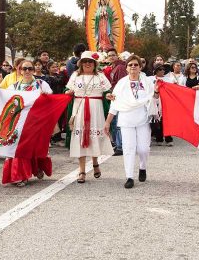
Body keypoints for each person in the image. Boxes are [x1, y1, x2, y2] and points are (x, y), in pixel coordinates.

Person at [104, 55, 158, 189]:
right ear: (126, 68)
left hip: (143, 119)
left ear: (140, 67)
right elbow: (114, 104)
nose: (133, 67)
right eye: (130, 65)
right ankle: (129, 177)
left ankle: (142, 167)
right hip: (126, 120)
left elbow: (154, 98)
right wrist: (108, 122)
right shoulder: (121, 84)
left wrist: (157, 92)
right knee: (128, 149)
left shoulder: (147, 82)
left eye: (136, 65)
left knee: (143, 149)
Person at [2, 60, 53, 187]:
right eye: (24, 69)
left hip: (35, 122)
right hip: (18, 122)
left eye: (30, 69)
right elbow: (6, 101)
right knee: (19, 148)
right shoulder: (14, 86)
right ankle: (21, 175)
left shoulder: (41, 84)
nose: (27, 71)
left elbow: (51, 99)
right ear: (19, 70)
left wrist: (46, 96)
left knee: (34, 147)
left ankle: (36, 168)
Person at [65, 51, 113, 184]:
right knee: (81, 137)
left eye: (90, 61)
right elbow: (67, 90)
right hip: (79, 108)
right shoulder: (75, 75)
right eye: (85, 61)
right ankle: (81, 171)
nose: (87, 63)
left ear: (94, 64)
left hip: (95, 109)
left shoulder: (100, 76)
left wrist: (108, 95)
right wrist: (67, 92)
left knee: (94, 137)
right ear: (80, 63)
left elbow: (107, 91)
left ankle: (95, 163)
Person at [149, 64, 173, 146]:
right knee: (157, 121)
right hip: (154, 101)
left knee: (166, 120)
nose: (162, 71)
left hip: (165, 102)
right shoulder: (150, 79)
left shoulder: (169, 79)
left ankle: (168, 139)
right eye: (160, 69)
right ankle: (159, 138)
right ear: (156, 71)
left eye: (163, 69)